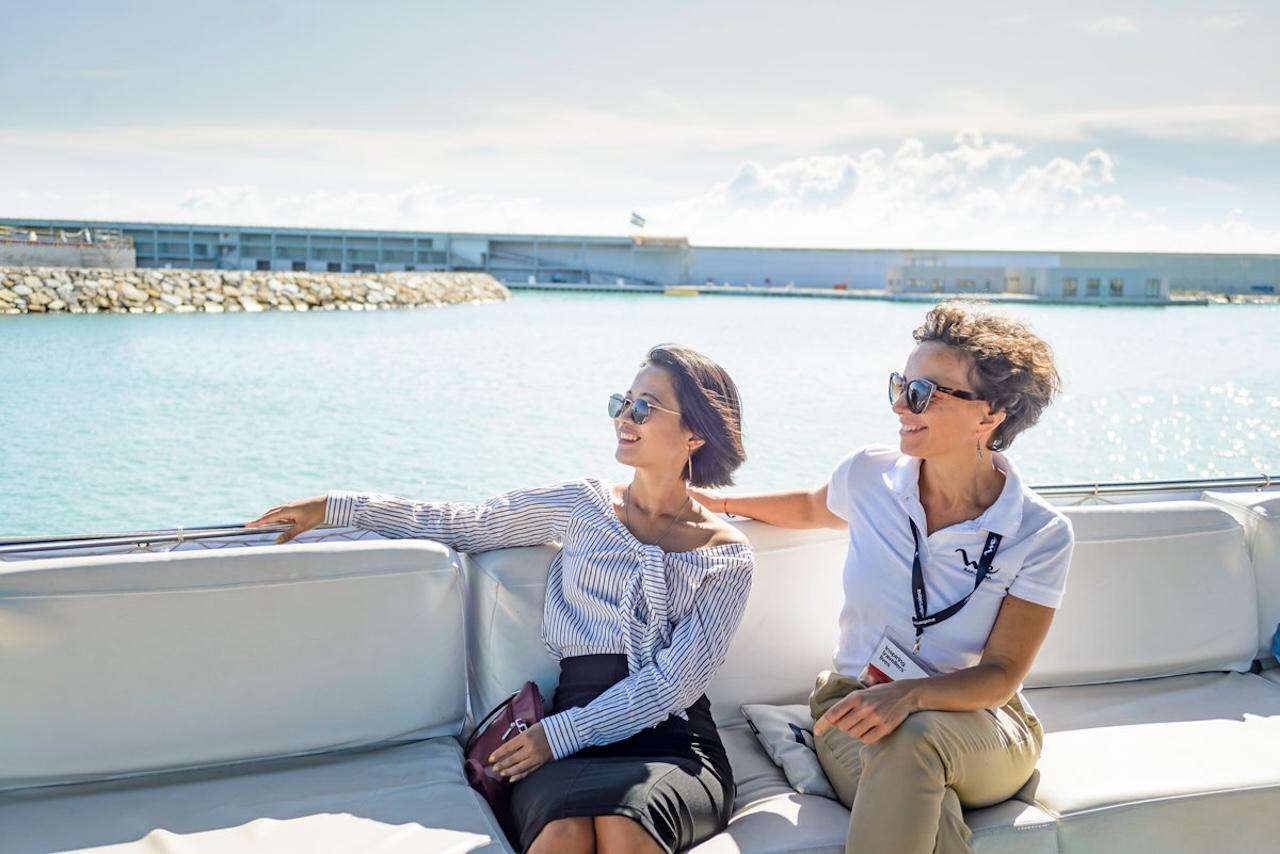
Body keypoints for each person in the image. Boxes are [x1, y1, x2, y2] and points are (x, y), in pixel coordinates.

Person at [246, 345, 753, 854]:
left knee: (625, 828)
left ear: (694, 433)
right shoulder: (581, 504)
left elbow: (673, 685)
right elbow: (468, 524)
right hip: (564, 735)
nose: (624, 417)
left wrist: (558, 736)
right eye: (622, 402)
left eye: (644, 407)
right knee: (562, 833)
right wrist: (337, 507)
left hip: (670, 744)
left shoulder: (726, 556)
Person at [691, 303, 1074, 854]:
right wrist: (717, 503)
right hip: (855, 704)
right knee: (917, 781)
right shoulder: (870, 475)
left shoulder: (1039, 532)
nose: (899, 405)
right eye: (900, 385)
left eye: (923, 393)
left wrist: (909, 696)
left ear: (990, 413)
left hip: (982, 722)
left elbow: (1001, 675)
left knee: (913, 735)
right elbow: (810, 507)